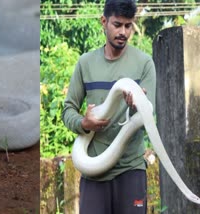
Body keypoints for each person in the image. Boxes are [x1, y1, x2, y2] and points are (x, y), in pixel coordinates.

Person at [62, 0, 156, 213]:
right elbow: (68, 110)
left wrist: (137, 107)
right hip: (94, 172)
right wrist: (83, 123)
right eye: (117, 24)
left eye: (128, 25)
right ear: (104, 22)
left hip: (131, 169)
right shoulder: (85, 63)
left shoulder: (144, 64)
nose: (123, 32)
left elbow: (150, 116)